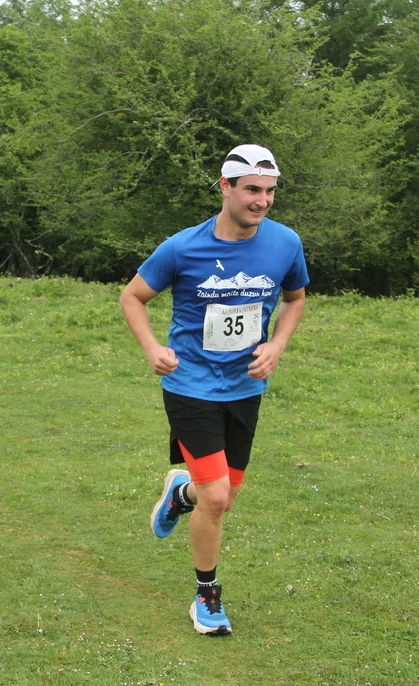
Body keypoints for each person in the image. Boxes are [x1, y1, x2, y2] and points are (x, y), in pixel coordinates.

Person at [120, 144, 309, 636]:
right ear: (225, 187)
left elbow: (295, 298)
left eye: (269, 191)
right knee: (219, 499)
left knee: (221, 496)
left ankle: (180, 494)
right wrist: (152, 348)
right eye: (252, 190)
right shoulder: (182, 247)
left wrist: (277, 346)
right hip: (190, 385)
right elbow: (133, 297)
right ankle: (207, 597)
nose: (262, 200)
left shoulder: (285, 243)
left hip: (245, 386)